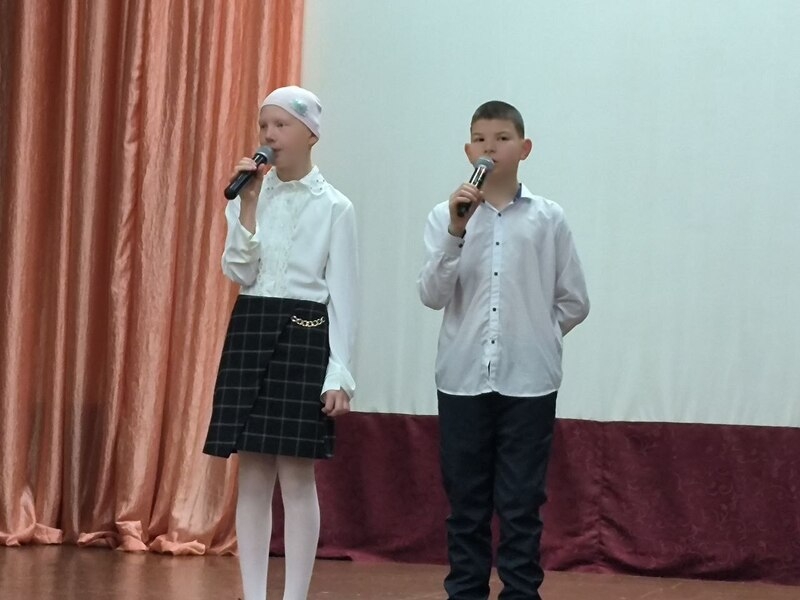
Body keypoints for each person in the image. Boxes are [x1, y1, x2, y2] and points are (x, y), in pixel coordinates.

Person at [417, 100, 589, 600]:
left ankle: (521, 592)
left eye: (502, 138)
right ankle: (465, 591)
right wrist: (456, 231)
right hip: (462, 379)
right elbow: (432, 295)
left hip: (528, 382)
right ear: (468, 150)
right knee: (466, 503)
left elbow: (574, 300)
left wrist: (537, 336)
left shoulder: (548, 218)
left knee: (521, 502)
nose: (489, 147)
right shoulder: (445, 216)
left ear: (525, 148)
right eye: (480, 139)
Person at [203, 85, 358, 600]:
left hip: (304, 332)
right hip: (252, 324)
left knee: (295, 475)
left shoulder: (335, 206)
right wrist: (247, 208)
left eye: (281, 125)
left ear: (311, 134)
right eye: (264, 125)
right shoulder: (251, 194)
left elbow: (344, 297)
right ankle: (253, 594)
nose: (269, 135)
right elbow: (238, 270)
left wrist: (340, 373)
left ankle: (294, 596)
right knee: (252, 473)